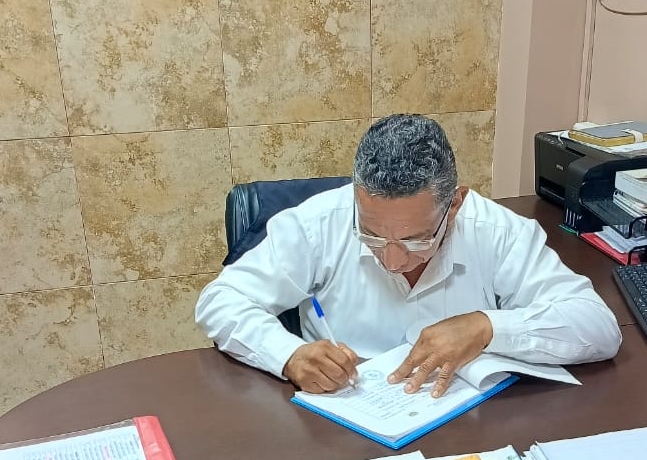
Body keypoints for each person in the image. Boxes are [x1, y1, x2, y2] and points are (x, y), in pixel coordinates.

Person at [195, 115, 622, 396]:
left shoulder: (497, 232)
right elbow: (221, 300)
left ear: (454, 205)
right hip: (344, 418)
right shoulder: (319, 223)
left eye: (417, 240)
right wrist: (287, 354)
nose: (392, 260)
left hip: (466, 425)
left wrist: (487, 327)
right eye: (372, 236)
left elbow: (598, 326)